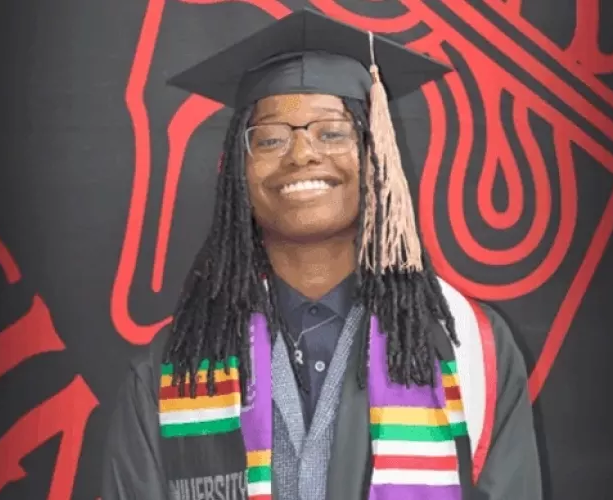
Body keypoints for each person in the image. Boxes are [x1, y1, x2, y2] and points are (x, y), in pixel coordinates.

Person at [101, 8, 542, 500]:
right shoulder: (173, 368)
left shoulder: (467, 349)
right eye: (269, 138)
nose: (301, 154)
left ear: (378, 156)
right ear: (236, 173)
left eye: (332, 132)